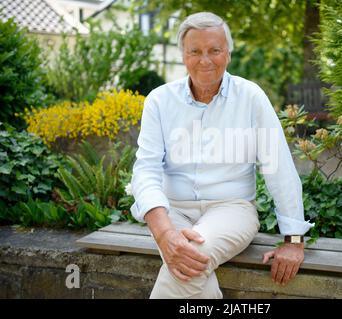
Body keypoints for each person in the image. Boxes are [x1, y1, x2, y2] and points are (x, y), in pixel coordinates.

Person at [130, 11, 314, 299]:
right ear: (183, 56)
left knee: (189, 258)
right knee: (187, 264)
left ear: (228, 53)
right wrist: (164, 232)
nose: (205, 60)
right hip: (172, 211)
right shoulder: (159, 101)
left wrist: (293, 240)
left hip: (231, 210)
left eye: (214, 50)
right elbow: (146, 169)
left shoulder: (251, 97)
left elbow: (278, 166)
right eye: (195, 51)